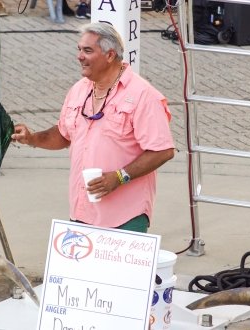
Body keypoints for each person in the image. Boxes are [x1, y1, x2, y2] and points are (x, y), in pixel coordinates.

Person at [11, 23, 175, 233]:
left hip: (126, 216)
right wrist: (32, 138)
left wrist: (119, 176)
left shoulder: (143, 95)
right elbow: (64, 134)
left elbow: (163, 150)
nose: (80, 56)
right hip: (82, 212)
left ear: (109, 55)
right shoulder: (79, 90)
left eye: (87, 51)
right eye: (79, 49)